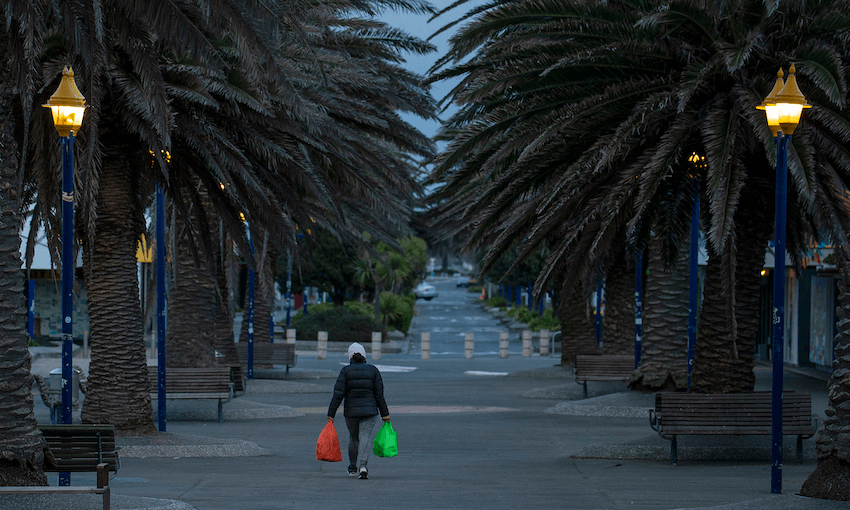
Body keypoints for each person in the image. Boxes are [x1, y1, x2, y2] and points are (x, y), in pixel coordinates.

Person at [327, 342, 390, 479]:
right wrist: (385, 414)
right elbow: (379, 395)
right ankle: (363, 466)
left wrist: (331, 414)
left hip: (351, 412)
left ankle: (352, 467)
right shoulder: (373, 370)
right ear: (364, 356)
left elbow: (338, 394)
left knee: (354, 438)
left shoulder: (345, 371)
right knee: (365, 436)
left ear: (350, 357)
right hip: (370, 411)